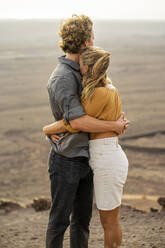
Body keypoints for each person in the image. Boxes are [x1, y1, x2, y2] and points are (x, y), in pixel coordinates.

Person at [44, 15, 129, 248]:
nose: (93, 40)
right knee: (59, 221)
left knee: (82, 221)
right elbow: (79, 121)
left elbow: (96, 109)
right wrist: (113, 126)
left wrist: (113, 121)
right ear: (85, 41)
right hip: (67, 158)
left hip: (87, 156)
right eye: (92, 36)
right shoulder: (63, 77)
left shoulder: (86, 73)